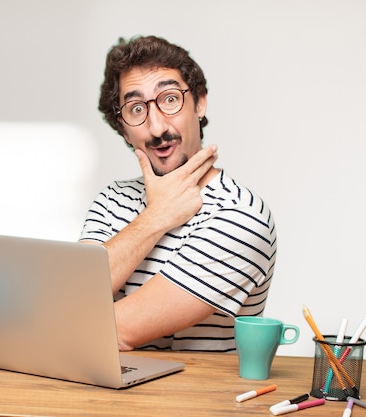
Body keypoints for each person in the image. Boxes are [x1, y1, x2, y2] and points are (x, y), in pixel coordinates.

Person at [79, 35, 276, 353]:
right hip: (102, 397)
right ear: (123, 128)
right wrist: (156, 216)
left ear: (199, 102)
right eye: (136, 108)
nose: (156, 128)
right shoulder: (112, 200)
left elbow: (112, 332)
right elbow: (73, 298)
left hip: (190, 403)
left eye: (170, 99)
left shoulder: (240, 215)